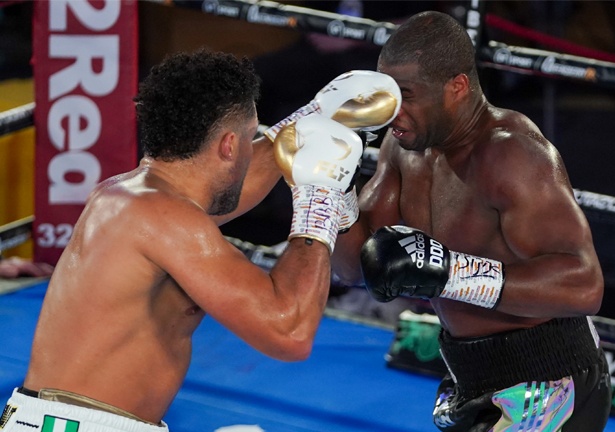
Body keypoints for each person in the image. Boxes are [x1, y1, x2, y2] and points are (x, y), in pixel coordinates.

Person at [0, 49, 399, 431]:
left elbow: (242, 177)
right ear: (228, 145)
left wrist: (315, 116)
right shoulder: (165, 219)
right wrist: (319, 201)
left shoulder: (131, 195)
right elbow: (289, 333)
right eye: (248, 136)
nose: (252, 148)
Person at [332, 11, 612, 432]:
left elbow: (585, 285)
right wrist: (333, 186)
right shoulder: (402, 148)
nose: (393, 112)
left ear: (457, 87)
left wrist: (453, 274)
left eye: (407, 94)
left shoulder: (512, 154)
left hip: (551, 381)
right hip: (470, 374)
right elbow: (353, 269)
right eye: (388, 94)